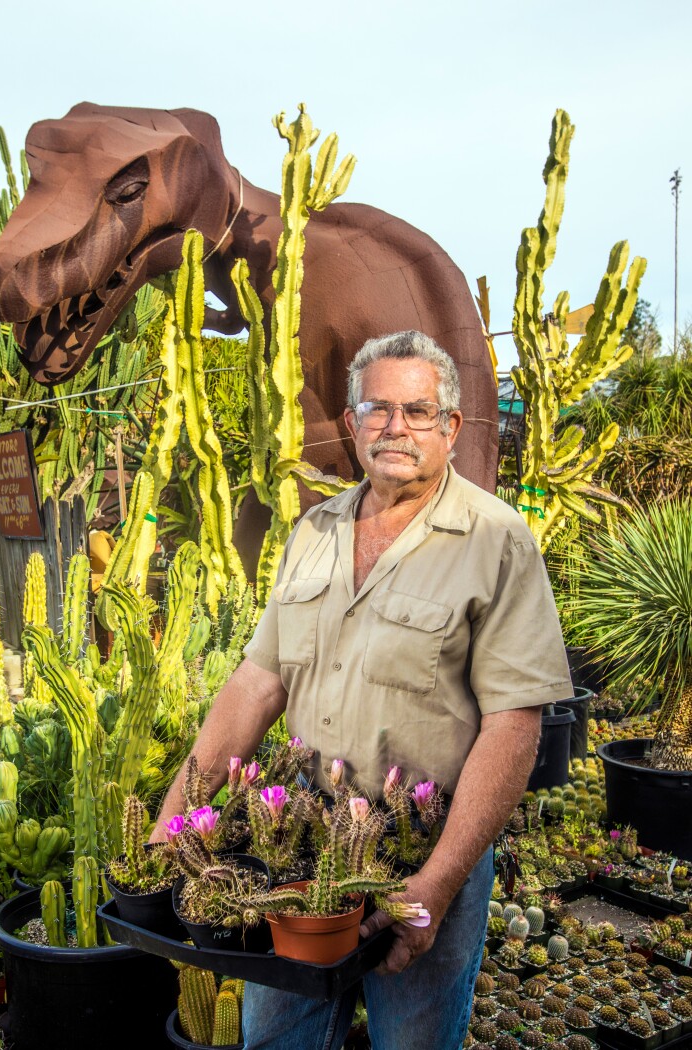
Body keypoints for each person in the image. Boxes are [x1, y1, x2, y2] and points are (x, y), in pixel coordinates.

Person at [151, 330, 572, 1050]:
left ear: (451, 428)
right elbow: (257, 683)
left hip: (420, 851)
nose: (395, 427)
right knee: (277, 1039)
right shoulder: (314, 531)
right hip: (300, 854)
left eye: (417, 411)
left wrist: (436, 885)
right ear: (351, 424)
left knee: (411, 1042)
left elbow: (514, 725)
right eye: (377, 408)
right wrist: (173, 820)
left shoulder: (495, 540)